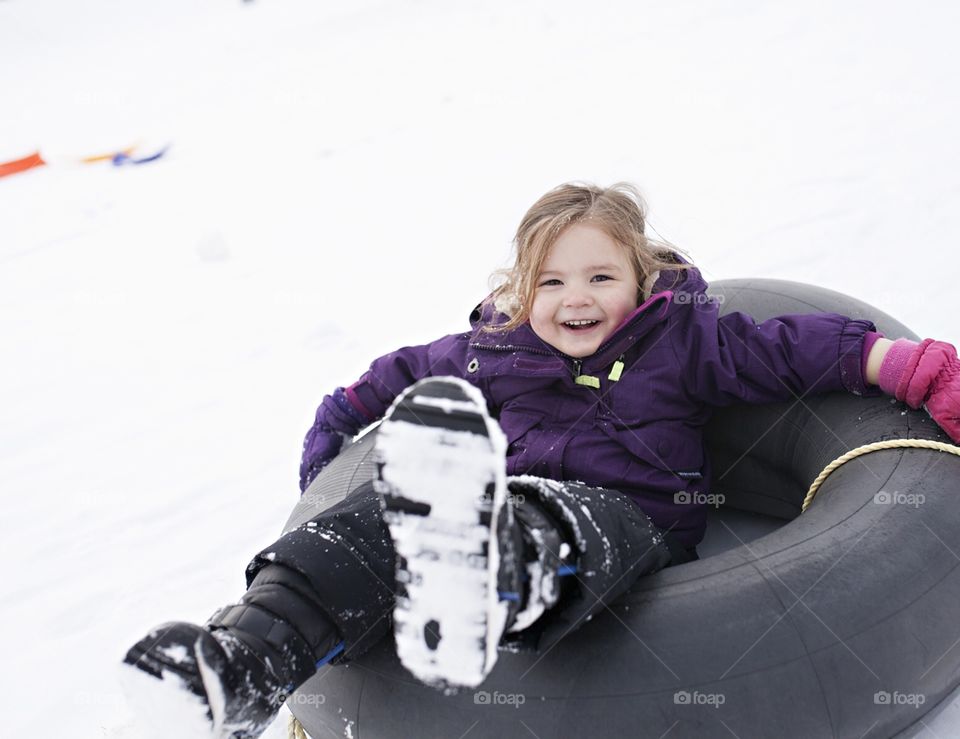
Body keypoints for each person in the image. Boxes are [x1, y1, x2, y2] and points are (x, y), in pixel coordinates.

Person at [122, 182, 960, 738]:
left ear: (642, 279)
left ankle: (492, 576)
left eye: (601, 275)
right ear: (524, 289)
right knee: (360, 528)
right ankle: (239, 662)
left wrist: (906, 366)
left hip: (625, 516)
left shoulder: (687, 342)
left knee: (564, 530)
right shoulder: (493, 352)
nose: (577, 298)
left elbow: (787, 352)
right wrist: (339, 415)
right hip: (495, 492)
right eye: (553, 282)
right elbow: (405, 370)